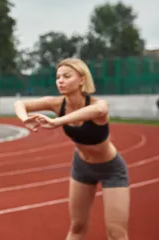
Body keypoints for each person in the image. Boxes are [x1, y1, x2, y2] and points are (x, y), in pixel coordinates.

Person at [14, 58, 129, 240]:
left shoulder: (97, 104)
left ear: (81, 80)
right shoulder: (56, 103)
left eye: (66, 76)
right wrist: (24, 118)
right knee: (77, 226)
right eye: (58, 77)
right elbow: (20, 104)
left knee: (116, 233)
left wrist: (57, 121)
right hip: (81, 168)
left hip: (111, 169)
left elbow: (99, 111)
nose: (60, 81)